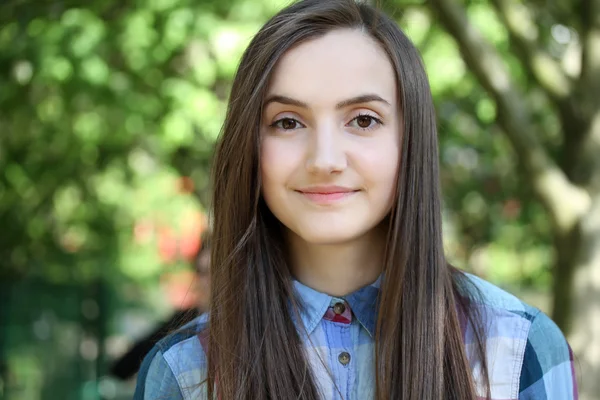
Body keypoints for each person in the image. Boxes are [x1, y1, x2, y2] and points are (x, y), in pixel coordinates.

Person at [134, 1, 578, 399]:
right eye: (288, 122)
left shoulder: (518, 349)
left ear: (410, 141)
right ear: (249, 144)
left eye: (363, 119)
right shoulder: (186, 371)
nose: (324, 159)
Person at [110, 234, 211, 381]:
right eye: (203, 272)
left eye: (212, 272)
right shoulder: (184, 321)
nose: (207, 282)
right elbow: (127, 363)